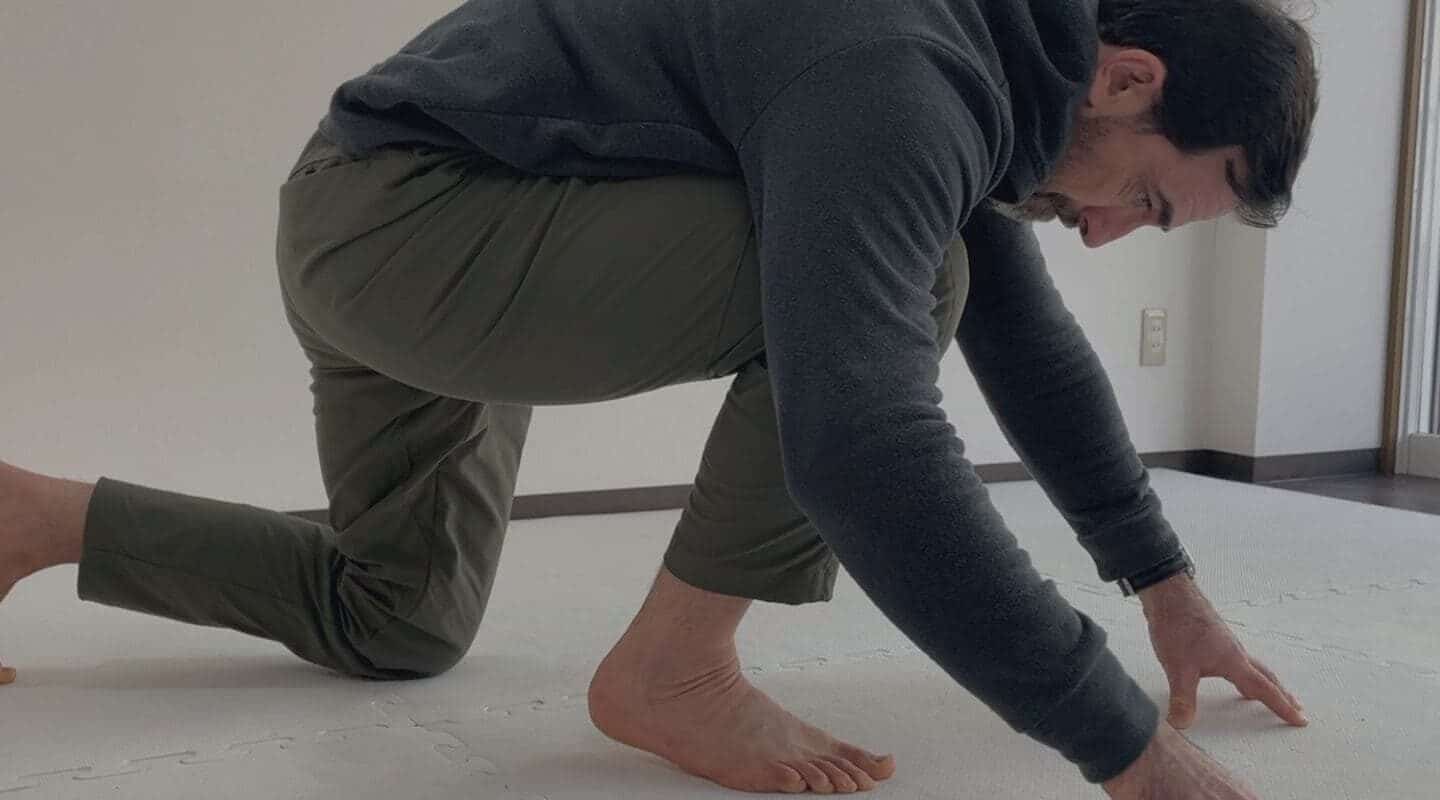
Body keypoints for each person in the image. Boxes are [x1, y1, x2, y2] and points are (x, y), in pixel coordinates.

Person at [0, 0, 1320, 796]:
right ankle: (677, 669)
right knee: (907, 290)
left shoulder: (972, 64)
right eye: (1148, 202)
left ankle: (36, 518)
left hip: (383, 208)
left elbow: (1029, 346)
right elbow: (861, 445)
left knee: (395, 618)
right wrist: (1130, 753)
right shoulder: (902, 65)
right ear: (1127, 79)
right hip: (417, 220)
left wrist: (1169, 593)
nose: (1109, 234)